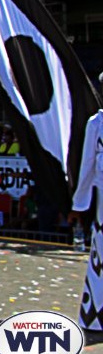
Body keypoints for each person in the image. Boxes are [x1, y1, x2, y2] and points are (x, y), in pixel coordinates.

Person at [70, 72, 103, 331]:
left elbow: (88, 166)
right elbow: (87, 166)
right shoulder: (96, 123)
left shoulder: (97, 123)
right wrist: (80, 202)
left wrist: (79, 203)